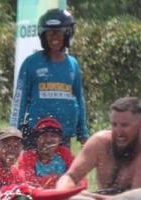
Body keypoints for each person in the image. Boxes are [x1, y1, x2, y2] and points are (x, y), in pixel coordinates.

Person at [9, 8, 89, 149]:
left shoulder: (73, 65)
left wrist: (83, 133)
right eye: (50, 34)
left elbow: (79, 99)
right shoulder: (31, 63)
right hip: (35, 135)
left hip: (63, 136)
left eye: (58, 33)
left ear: (68, 34)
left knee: (61, 171)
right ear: (43, 36)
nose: (54, 38)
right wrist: (14, 132)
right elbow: (19, 101)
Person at [56, 97, 141, 199]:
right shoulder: (99, 143)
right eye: (114, 125)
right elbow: (70, 176)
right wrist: (62, 193)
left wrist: (86, 197)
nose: (118, 132)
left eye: (124, 125)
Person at [17, 117, 85, 189]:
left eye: (53, 136)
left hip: (63, 193)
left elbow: (80, 176)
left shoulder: (64, 153)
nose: (48, 140)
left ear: (59, 140)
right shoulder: (28, 156)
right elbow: (26, 181)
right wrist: (59, 179)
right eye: (44, 135)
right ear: (36, 139)